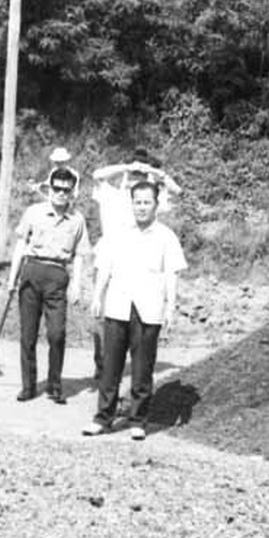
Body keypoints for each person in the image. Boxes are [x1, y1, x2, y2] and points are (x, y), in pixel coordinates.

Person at [86, 178, 186, 441]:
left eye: (147, 202)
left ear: (156, 205)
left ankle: (138, 419)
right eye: (137, 202)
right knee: (111, 366)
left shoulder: (166, 236)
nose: (142, 207)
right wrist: (97, 296)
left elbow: (171, 275)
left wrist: (170, 309)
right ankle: (103, 418)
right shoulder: (118, 232)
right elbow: (104, 267)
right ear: (131, 204)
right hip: (118, 305)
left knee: (143, 367)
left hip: (149, 308)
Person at [5, 164, 91, 403]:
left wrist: (76, 284)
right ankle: (28, 386)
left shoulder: (77, 220)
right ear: (49, 188)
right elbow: (21, 245)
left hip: (58, 276)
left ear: (72, 192)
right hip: (32, 271)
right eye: (57, 188)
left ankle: (54, 385)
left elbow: (82, 254)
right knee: (28, 335)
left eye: (66, 189)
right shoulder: (33, 212)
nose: (61, 193)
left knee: (57, 334)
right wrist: (12, 278)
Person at [92, 149, 181, 244]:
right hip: (111, 253)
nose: (137, 176)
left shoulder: (150, 202)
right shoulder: (111, 195)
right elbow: (97, 176)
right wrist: (127, 167)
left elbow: (178, 192)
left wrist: (153, 171)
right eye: (134, 173)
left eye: (142, 174)